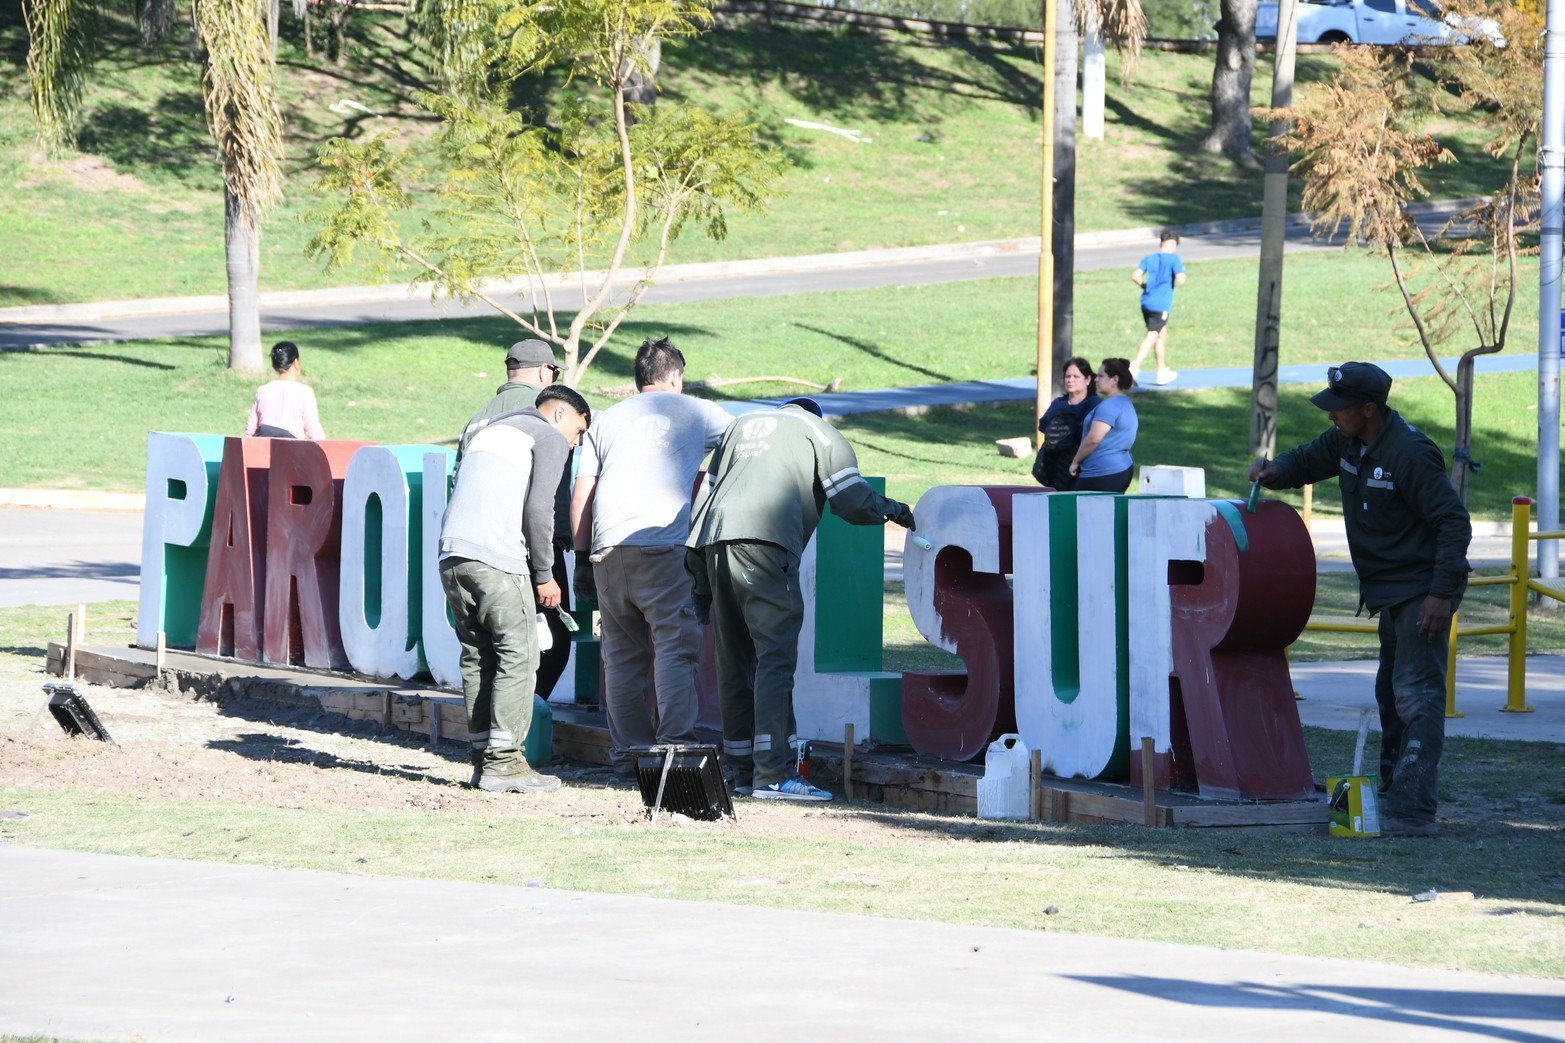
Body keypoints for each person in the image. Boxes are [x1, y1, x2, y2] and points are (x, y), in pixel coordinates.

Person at [1249, 362, 1471, 838]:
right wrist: (1275, 471)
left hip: (1420, 588)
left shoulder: (1409, 454)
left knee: (1417, 694)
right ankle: (1394, 790)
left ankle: (1413, 810)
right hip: (1389, 590)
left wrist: (1440, 594)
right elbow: (1309, 458)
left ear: (1369, 410)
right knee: (1390, 692)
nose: (1331, 417)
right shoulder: (1350, 439)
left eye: (1339, 409)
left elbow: (1453, 522)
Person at [687, 398, 916, 802]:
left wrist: (700, 585)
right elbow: (851, 500)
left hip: (713, 544)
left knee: (734, 659)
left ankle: (741, 771)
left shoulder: (740, 427)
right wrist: (894, 510)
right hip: (766, 543)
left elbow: (703, 500)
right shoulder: (820, 433)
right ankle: (774, 774)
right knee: (774, 658)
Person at [570, 337, 733, 774]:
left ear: (638, 378)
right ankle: (674, 749)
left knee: (621, 659)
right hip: (663, 546)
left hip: (608, 551)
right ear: (675, 376)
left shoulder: (605, 420)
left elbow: (582, 491)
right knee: (675, 649)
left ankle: (628, 758)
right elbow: (743, 441)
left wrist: (582, 559)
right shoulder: (698, 411)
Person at [438, 385, 591, 795]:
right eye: (577, 431)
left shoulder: (491, 430)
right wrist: (544, 573)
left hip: (452, 556)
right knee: (519, 653)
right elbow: (541, 508)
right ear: (559, 415)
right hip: (495, 557)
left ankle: (482, 758)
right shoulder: (545, 435)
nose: (574, 443)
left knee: (478, 656)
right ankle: (505, 765)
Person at [458, 339, 574, 698]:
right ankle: (525, 728)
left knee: (489, 650)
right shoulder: (542, 415)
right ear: (544, 371)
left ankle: (489, 735)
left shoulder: (476, 419)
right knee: (549, 642)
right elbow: (543, 498)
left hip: (470, 547)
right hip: (527, 548)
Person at [1069, 358, 1138, 493]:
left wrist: (1076, 461)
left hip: (1100, 472)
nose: (1096, 379)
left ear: (1114, 379)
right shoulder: (1126, 404)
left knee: (1077, 511)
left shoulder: (1109, 406)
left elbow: (1093, 439)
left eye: (1101, 376)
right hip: (1122, 468)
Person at [1128, 231, 1188, 387]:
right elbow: (1181, 278)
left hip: (1146, 301)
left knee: (1161, 335)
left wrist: (1144, 285)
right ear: (1174, 245)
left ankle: (1161, 371)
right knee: (1152, 335)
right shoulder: (1174, 260)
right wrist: (1180, 277)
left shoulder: (1149, 258)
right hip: (1161, 304)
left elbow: (1135, 275)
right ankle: (1133, 367)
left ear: (1161, 243)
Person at [1033, 356, 1099, 490]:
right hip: (1054, 466)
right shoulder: (1058, 404)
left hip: (1080, 464)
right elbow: (1043, 426)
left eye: (1076, 376)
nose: (1070, 380)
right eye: (1068, 376)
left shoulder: (1094, 404)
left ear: (1087, 379)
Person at [244, 341, 325, 439]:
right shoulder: (305, 392)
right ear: (296, 362)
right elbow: (313, 429)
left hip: (264, 448)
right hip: (292, 450)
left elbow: (250, 430)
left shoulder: (263, 391)